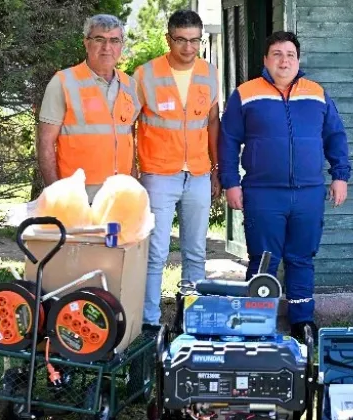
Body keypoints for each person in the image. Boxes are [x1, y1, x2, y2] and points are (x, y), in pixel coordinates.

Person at [219, 31, 351, 344]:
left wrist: (340, 175)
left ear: (298, 60)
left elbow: (335, 136)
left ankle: (302, 321)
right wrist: (230, 183)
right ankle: (256, 320)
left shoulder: (316, 93)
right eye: (277, 54)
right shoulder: (246, 94)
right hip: (263, 193)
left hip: (308, 192)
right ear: (265, 60)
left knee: (302, 257)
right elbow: (227, 141)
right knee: (263, 259)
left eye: (290, 54)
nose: (284, 60)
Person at [133, 10, 221, 331]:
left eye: (194, 40)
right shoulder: (145, 75)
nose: (188, 47)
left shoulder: (209, 73)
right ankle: (150, 324)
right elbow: (127, 124)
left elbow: (212, 122)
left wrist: (216, 168)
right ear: (168, 38)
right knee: (155, 253)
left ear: (201, 40)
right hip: (158, 175)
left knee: (196, 254)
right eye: (181, 40)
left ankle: (193, 323)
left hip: (197, 174)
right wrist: (133, 171)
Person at [37, 14, 139, 203]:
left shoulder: (129, 85)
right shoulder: (63, 82)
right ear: (86, 43)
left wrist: (133, 182)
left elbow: (128, 138)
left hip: (120, 196)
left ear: (121, 45)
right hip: (77, 196)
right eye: (99, 39)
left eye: (114, 40)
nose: (107, 48)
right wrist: (55, 193)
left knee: (116, 235)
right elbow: (45, 143)